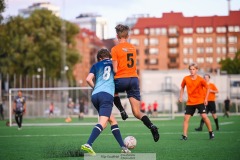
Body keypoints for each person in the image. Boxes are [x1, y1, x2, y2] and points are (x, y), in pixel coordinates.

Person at [111, 24, 159, 142]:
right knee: (137, 112)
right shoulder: (133, 48)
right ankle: (152, 126)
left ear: (117, 36)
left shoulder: (115, 49)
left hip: (122, 79)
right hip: (133, 79)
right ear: (127, 35)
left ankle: (122, 110)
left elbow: (115, 69)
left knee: (110, 89)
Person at [81, 48, 131, 155]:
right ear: (109, 56)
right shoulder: (114, 64)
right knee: (102, 124)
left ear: (99, 58)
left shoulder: (96, 65)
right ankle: (88, 144)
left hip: (95, 95)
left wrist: (95, 88)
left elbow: (88, 79)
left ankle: (123, 147)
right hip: (106, 96)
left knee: (112, 121)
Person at [179, 63, 214, 140]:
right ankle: (185, 136)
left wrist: (206, 99)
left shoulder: (201, 79)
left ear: (197, 70)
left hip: (200, 101)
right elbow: (182, 87)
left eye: (193, 69)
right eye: (190, 69)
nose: (192, 71)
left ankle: (211, 132)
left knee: (204, 116)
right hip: (190, 102)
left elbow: (208, 88)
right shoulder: (186, 78)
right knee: (186, 118)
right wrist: (181, 96)